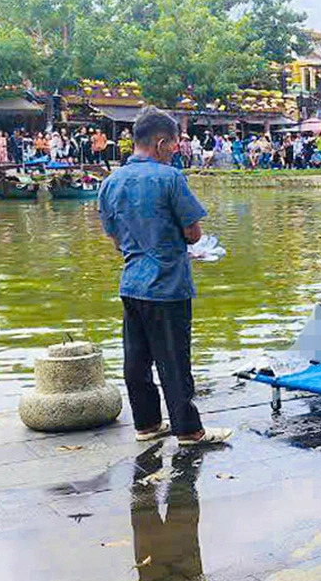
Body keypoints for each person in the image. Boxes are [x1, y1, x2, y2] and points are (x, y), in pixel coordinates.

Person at [97, 109, 231, 446]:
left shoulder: (110, 182)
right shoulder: (170, 178)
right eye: (173, 145)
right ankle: (188, 430)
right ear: (160, 143)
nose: (175, 151)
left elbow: (116, 241)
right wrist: (180, 245)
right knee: (173, 360)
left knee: (137, 359)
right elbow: (193, 233)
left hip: (131, 283)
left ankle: (147, 424)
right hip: (167, 285)